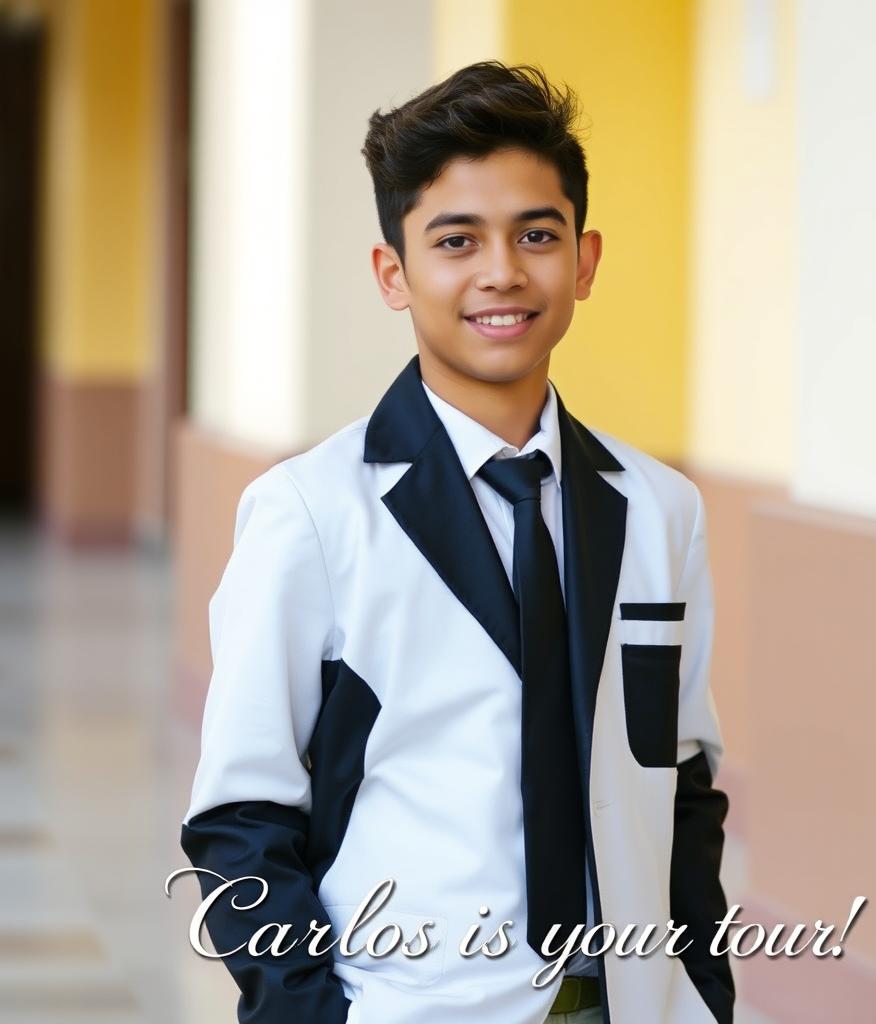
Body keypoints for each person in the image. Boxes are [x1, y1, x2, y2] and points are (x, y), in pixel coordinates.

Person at [179, 60, 733, 1024]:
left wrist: (706, 996)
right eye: (455, 240)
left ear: (585, 260)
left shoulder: (660, 509)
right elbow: (241, 818)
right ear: (394, 273)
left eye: (536, 235)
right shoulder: (311, 513)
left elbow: (683, 786)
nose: (502, 272)